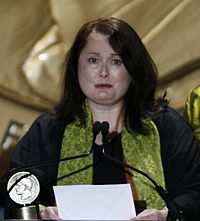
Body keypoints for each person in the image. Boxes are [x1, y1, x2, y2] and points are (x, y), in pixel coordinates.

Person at [3, 17, 200, 220]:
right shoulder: (48, 129)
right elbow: (16, 189)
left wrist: (163, 215)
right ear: (76, 67)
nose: (104, 73)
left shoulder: (165, 125)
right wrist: (39, 211)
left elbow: (194, 192)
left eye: (116, 61)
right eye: (93, 60)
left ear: (133, 69)